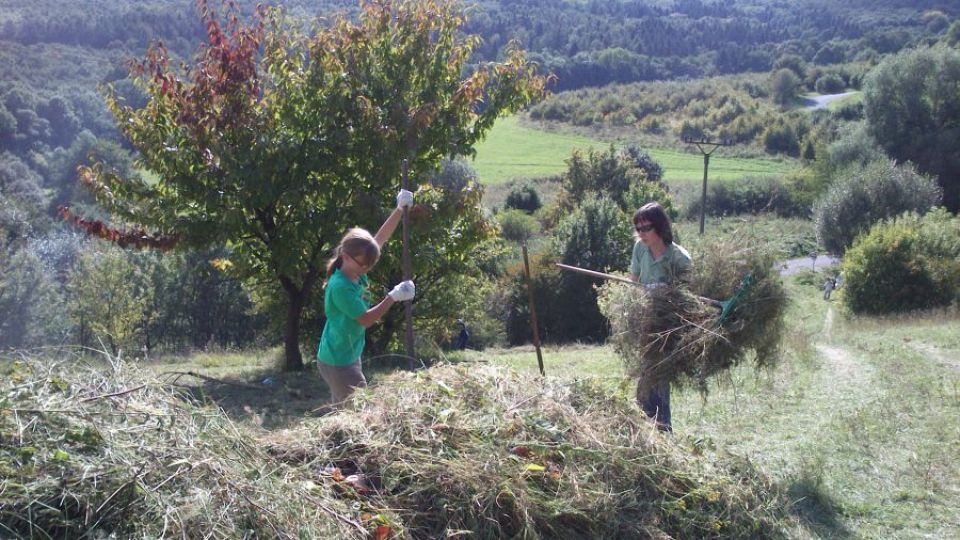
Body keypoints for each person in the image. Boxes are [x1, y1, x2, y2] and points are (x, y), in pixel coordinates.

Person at [316, 189, 416, 407]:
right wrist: (393, 296)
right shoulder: (341, 286)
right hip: (338, 361)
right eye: (363, 264)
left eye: (369, 264)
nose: (366, 269)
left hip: (346, 354)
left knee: (344, 413)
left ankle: (336, 441)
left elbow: (378, 240)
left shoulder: (354, 269)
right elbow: (366, 319)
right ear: (345, 257)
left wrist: (398, 210)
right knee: (361, 412)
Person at [629, 202, 692, 432]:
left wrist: (664, 295)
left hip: (668, 327)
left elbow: (688, 297)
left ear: (660, 227)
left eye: (646, 228)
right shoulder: (639, 249)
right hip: (645, 322)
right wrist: (632, 305)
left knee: (658, 377)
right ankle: (645, 427)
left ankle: (662, 429)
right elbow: (633, 282)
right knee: (646, 375)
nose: (642, 233)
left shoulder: (679, 258)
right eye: (638, 228)